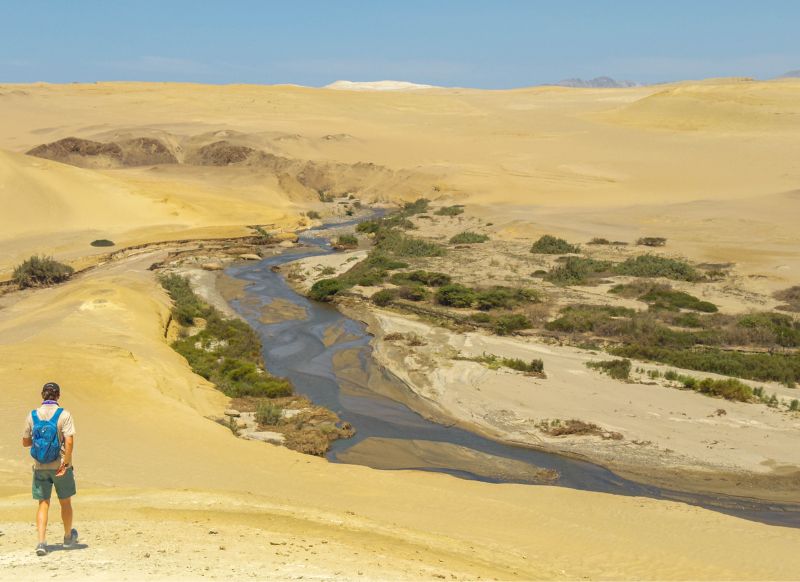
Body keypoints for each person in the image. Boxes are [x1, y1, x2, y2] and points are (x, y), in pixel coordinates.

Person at [21, 381, 78, 556]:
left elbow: (25, 442)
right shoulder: (64, 415)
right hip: (59, 465)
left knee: (43, 503)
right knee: (65, 502)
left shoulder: (32, 415)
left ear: (42, 395)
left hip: (39, 466)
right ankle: (68, 537)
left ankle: (41, 542)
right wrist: (66, 463)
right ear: (58, 396)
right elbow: (69, 441)